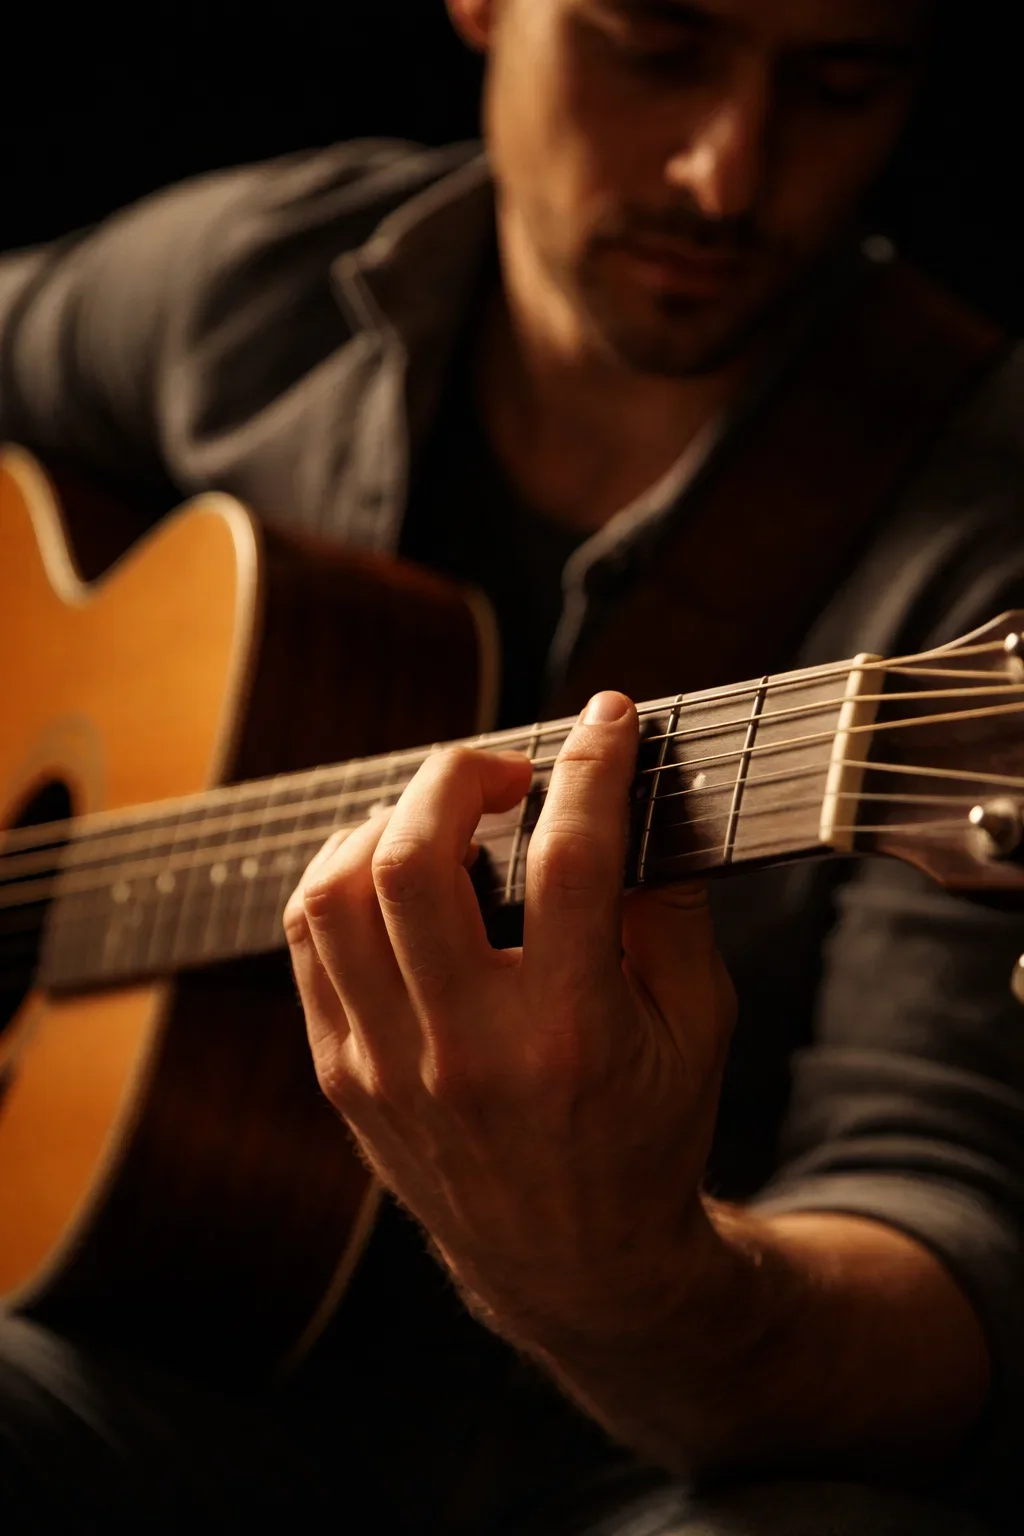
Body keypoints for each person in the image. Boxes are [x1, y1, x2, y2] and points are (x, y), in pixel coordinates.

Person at [2, 0, 1024, 1531]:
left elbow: (945, 1255)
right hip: (140, 1359)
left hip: (618, 1461)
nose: (725, 174)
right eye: (654, 45)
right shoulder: (262, 284)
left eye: (843, 80)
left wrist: (630, 1271)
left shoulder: (984, 535)